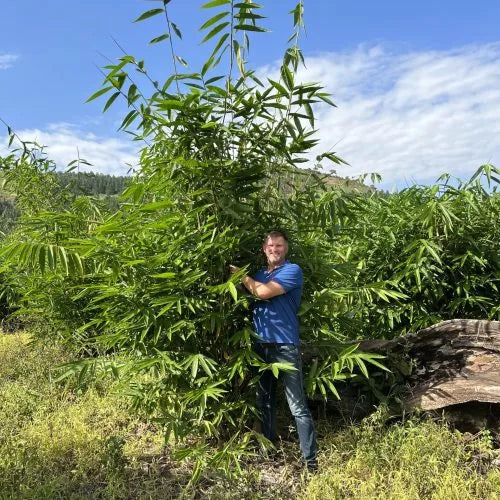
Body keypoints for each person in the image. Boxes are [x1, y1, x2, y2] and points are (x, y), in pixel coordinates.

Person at [230, 231, 318, 472]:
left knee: (297, 406)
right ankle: (267, 452)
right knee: (264, 401)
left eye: (278, 245)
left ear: (286, 248)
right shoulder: (259, 274)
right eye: (270, 245)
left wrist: (240, 276)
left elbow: (262, 292)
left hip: (285, 346)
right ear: (264, 248)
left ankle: (311, 463)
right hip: (260, 346)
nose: (274, 249)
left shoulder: (293, 271)